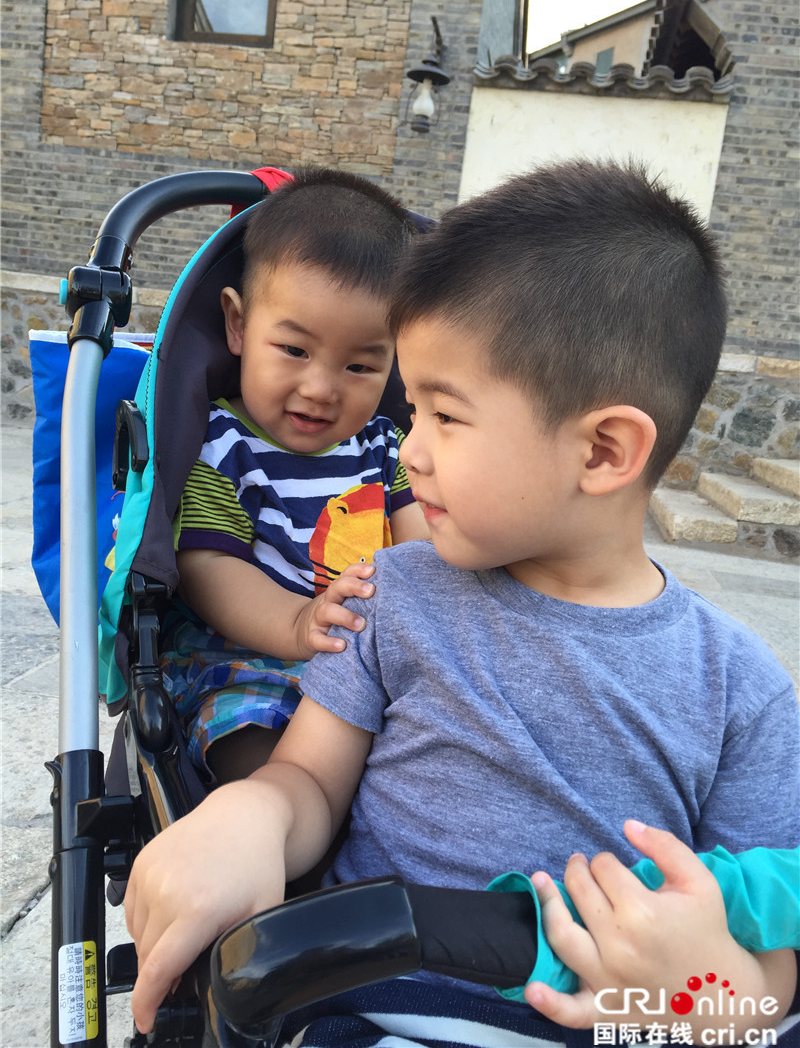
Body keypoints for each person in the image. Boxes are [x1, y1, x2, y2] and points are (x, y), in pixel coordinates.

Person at [125, 159, 800, 1046]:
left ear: (602, 452)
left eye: (442, 416)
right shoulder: (394, 596)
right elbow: (308, 782)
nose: (407, 453)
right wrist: (247, 817)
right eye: (412, 413)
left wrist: (717, 996)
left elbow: (773, 935)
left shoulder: (740, 688)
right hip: (378, 1004)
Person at [161, 167, 427, 784]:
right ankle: (274, 815)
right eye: (295, 350)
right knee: (250, 740)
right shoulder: (220, 446)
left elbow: (422, 552)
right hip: (247, 659)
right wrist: (296, 624)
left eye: (360, 366)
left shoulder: (384, 448)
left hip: (365, 661)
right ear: (238, 324)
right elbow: (208, 569)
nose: (321, 388)